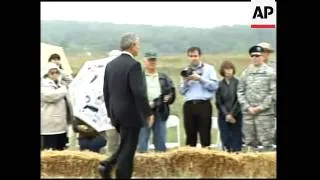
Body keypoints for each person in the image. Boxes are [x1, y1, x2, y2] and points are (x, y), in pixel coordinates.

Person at [99, 32, 154, 179]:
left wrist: (111, 113)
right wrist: (148, 113)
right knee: (129, 150)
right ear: (132, 46)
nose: (139, 48)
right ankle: (122, 175)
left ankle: (107, 165)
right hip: (131, 114)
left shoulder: (110, 65)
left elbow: (106, 91)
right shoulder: (134, 65)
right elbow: (139, 92)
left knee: (124, 144)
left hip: (116, 113)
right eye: (138, 45)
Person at [237, 45, 276, 152]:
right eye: (253, 56)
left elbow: (273, 93)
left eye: (258, 55)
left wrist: (260, 108)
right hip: (249, 114)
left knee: (267, 143)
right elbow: (240, 91)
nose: (255, 58)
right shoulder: (246, 72)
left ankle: (267, 168)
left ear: (263, 56)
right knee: (249, 143)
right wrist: (247, 107)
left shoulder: (270, 72)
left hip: (265, 114)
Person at [179, 46, 219, 147]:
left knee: (205, 135)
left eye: (195, 56)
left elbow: (214, 86)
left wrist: (200, 79)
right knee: (190, 135)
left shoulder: (209, 69)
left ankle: (206, 159)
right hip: (189, 105)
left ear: (200, 56)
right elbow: (181, 91)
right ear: (188, 57)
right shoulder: (185, 71)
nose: (193, 58)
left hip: (204, 104)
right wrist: (186, 82)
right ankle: (190, 160)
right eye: (191, 56)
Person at [137, 52, 176, 153]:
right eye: (150, 60)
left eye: (154, 60)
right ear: (144, 62)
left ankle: (161, 163)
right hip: (143, 112)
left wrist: (169, 97)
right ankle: (142, 163)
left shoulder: (164, 77)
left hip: (160, 111)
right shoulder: (138, 77)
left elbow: (171, 91)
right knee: (142, 140)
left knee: (160, 140)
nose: (152, 62)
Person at [41, 62, 73, 150]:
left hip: (61, 124)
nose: (55, 74)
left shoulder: (59, 83)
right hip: (49, 126)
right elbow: (51, 96)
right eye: (52, 72)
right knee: (50, 152)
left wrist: (60, 70)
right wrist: (64, 89)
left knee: (61, 151)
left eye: (56, 72)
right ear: (46, 74)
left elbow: (71, 80)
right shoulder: (43, 84)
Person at [215, 61, 242, 152]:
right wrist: (226, 114)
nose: (228, 71)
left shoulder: (238, 83)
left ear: (233, 70)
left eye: (230, 69)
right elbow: (219, 102)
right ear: (222, 71)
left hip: (236, 115)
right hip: (223, 116)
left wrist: (232, 114)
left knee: (236, 139)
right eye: (226, 69)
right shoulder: (219, 84)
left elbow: (239, 100)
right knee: (225, 138)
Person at [257, 42, 277, 146]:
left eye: (266, 52)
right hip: (257, 106)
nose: (263, 54)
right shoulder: (252, 67)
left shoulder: (274, 67)